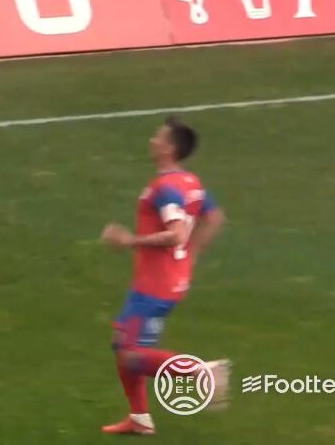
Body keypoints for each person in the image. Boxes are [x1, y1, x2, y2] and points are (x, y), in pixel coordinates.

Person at [99, 117, 230, 435]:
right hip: (167, 281)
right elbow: (213, 217)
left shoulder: (165, 188)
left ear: (169, 148)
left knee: (130, 353)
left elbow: (175, 234)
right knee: (125, 343)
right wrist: (192, 255)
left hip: (153, 286)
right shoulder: (190, 183)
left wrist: (130, 241)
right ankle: (140, 418)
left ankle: (201, 374)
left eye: (158, 137)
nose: (152, 141)